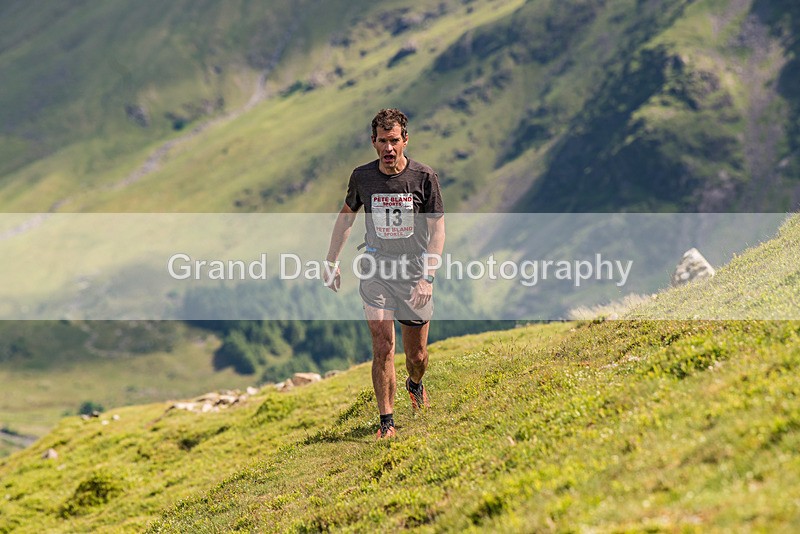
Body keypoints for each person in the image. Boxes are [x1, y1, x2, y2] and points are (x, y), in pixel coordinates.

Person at [324, 108, 445, 439]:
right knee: (382, 345)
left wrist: (427, 277)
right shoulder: (362, 177)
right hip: (376, 269)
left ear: (405, 140)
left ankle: (414, 383)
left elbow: (438, 231)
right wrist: (331, 261)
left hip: (414, 271)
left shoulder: (424, 177)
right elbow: (346, 216)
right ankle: (387, 422)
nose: (388, 148)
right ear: (373, 142)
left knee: (417, 356)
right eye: (382, 141)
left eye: (393, 141)